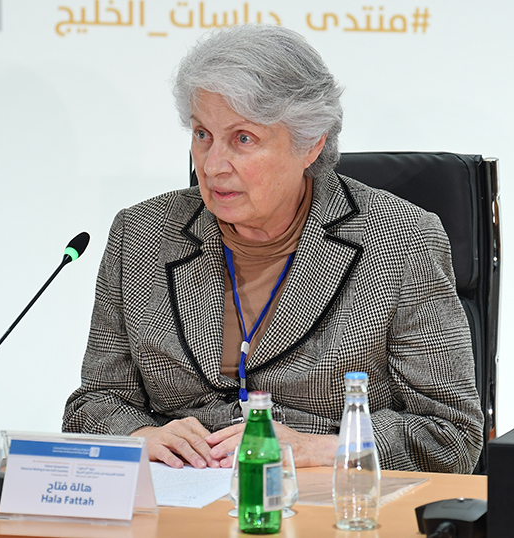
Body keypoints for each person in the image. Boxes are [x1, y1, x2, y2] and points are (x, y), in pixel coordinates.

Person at [63, 24, 484, 473]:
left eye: (243, 139)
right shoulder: (140, 234)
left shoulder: (401, 239)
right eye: (202, 134)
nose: (212, 164)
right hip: (180, 495)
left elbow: (451, 435)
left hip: (322, 497)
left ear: (311, 144)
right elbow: (95, 403)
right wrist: (137, 436)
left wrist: (319, 449)